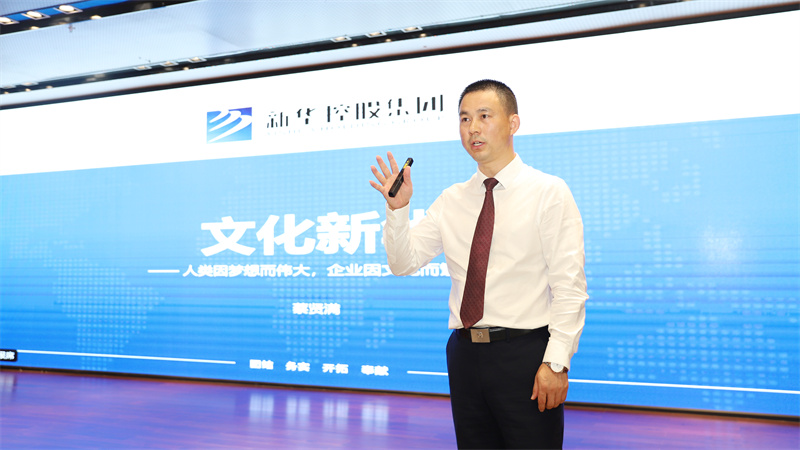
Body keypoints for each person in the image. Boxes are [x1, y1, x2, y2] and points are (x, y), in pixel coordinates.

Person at [370, 79, 587, 449]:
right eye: (464, 118)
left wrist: (556, 362)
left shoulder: (548, 191)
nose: (472, 128)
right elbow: (403, 263)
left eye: (484, 116)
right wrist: (398, 210)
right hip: (465, 354)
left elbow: (569, 286)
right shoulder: (452, 199)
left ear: (513, 123)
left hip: (525, 354)